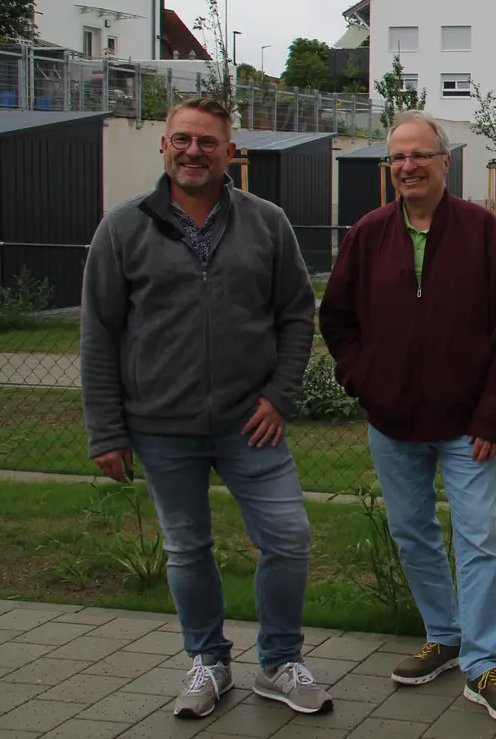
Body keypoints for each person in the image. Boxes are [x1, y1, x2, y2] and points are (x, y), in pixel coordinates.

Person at [80, 97, 333, 720]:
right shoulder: (123, 228)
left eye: (209, 142)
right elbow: (99, 335)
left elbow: (298, 314)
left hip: (252, 424)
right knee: (187, 548)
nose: (195, 151)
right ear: (164, 146)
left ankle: (277, 662)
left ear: (230, 152)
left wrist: (279, 396)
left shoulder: (268, 223)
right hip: (160, 428)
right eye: (183, 140)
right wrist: (106, 431)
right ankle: (208, 662)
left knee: (289, 538)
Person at [318, 109, 496, 723]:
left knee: (477, 539)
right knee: (412, 535)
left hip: (470, 429)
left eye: (419, 156)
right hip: (392, 424)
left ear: (445, 161)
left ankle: (484, 664)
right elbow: (337, 320)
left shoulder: (482, 232)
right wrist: (365, 381)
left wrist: (494, 415)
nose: (408, 167)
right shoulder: (367, 234)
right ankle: (444, 636)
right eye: (397, 158)